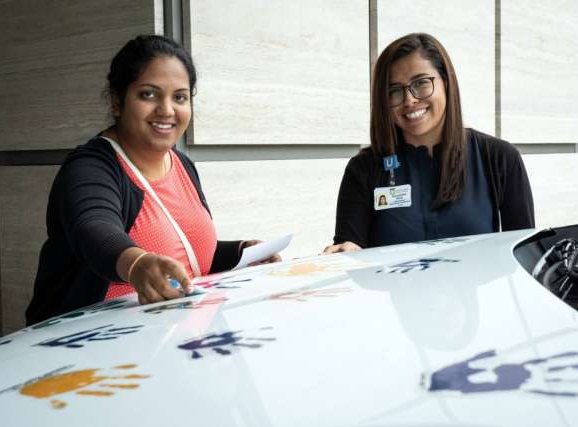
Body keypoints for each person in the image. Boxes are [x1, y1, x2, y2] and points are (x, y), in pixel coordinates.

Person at [26, 35, 279, 325]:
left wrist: (241, 252)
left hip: (168, 342)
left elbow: (182, 252)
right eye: (149, 94)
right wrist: (136, 264)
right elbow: (93, 229)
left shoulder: (182, 164)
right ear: (116, 101)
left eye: (179, 97)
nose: (167, 110)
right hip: (90, 350)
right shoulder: (91, 166)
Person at [324, 33, 534, 254]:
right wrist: (344, 253)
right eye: (394, 91)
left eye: (421, 83)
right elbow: (349, 249)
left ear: (445, 81)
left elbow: (526, 256)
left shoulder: (498, 158)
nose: (409, 100)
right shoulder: (364, 168)